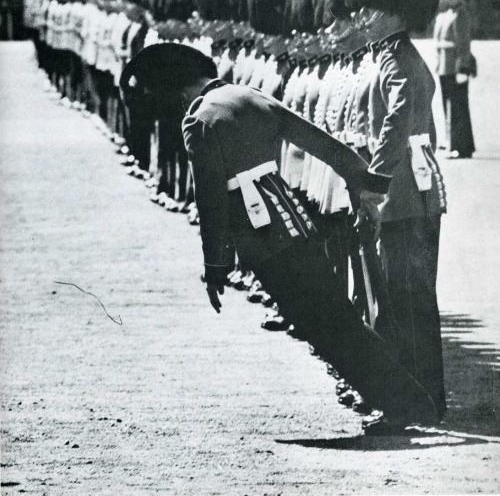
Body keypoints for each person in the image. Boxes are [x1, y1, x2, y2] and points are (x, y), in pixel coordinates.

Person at [120, 42, 439, 434]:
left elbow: (211, 199)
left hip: (261, 236)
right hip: (296, 220)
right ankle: (410, 403)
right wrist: (366, 185)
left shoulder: (198, 119)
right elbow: (322, 143)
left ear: (177, 91)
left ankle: (403, 406)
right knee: (337, 317)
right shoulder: (249, 95)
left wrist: (216, 265)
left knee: (325, 325)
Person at [345, 0, 448, 426]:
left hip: (403, 199)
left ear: (393, 7)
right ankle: (411, 395)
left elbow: (394, 130)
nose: (362, 17)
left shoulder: (400, 61)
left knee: (405, 302)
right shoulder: (387, 57)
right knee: (397, 300)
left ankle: (415, 399)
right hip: (400, 197)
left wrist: (371, 187)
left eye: (371, 8)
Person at [434, 0, 476, 159]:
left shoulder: (461, 13)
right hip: (444, 66)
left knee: (457, 107)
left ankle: (460, 145)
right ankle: (452, 140)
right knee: (448, 106)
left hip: (455, 67)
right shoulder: (446, 13)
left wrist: (463, 67)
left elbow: (463, 43)